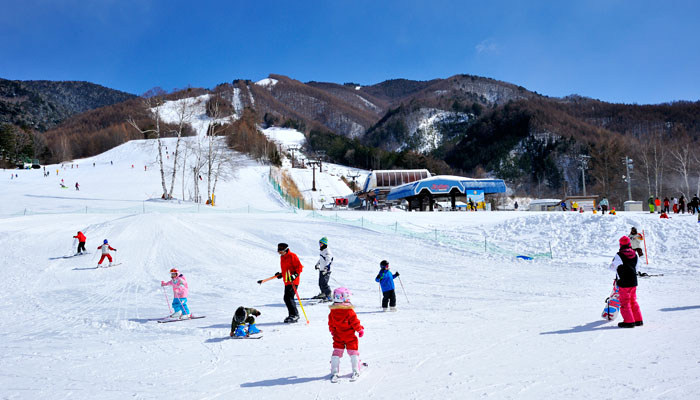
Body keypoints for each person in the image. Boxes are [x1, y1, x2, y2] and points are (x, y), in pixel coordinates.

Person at [328, 287, 365, 382]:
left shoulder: (333, 312)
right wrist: (360, 330)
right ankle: (356, 370)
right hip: (349, 337)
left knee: (337, 352)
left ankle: (334, 371)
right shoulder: (349, 311)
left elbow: (331, 323)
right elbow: (355, 322)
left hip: (338, 336)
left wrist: (332, 330)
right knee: (353, 352)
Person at [609, 236, 643, 328]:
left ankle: (629, 322)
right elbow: (637, 267)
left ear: (620, 244)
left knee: (625, 302)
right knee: (633, 300)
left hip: (624, 281)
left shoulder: (619, 255)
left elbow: (612, 267)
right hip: (633, 281)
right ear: (629, 244)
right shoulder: (635, 254)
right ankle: (638, 320)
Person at [276, 243, 304, 323]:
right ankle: (292, 315)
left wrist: (295, 275)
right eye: (278, 251)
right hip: (287, 281)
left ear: (285, 250)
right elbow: (287, 269)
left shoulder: (292, 256)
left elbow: (299, 267)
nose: (279, 252)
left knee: (288, 297)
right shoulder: (282, 257)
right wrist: (281, 274)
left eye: (280, 251)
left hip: (293, 281)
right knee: (287, 298)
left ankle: (295, 315)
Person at [314, 237, 333, 301]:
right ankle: (323, 293)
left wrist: (326, 268)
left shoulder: (327, 251)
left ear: (324, 244)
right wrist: (317, 264)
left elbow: (329, 260)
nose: (320, 245)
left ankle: (329, 295)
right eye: (319, 243)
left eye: (321, 243)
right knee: (320, 283)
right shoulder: (322, 250)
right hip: (322, 269)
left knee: (324, 283)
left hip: (326, 270)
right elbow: (321, 259)